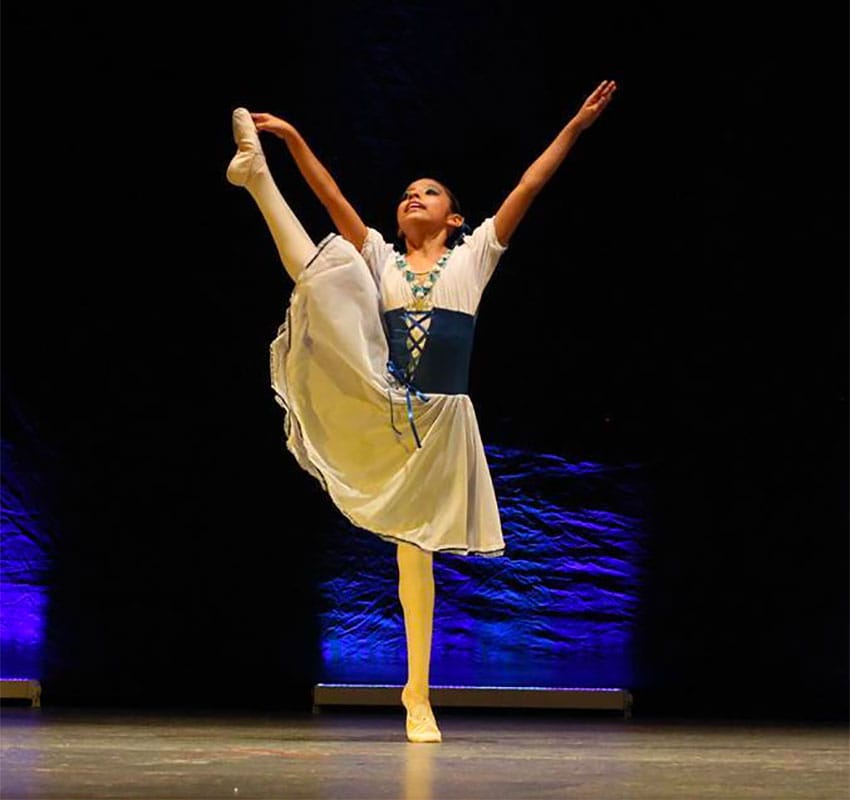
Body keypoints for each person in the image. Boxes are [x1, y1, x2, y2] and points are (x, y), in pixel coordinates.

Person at [226, 79, 617, 743]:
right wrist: (292, 142)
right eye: (408, 191)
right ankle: (259, 178)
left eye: (429, 192)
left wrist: (574, 128)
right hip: (379, 399)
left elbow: (527, 186)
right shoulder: (382, 255)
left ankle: (417, 695)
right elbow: (335, 199)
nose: (415, 197)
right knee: (333, 269)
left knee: (417, 557)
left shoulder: (474, 259)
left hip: (438, 427)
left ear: (455, 219)